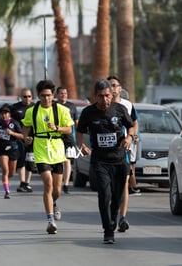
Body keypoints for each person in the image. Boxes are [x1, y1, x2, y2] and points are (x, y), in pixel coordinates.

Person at [76, 79, 135, 244]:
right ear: (95, 96)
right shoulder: (89, 112)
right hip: (100, 161)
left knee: (118, 196)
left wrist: (129, 137)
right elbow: (79, 131)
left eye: (107, 96)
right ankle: (108, 231)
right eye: (100, 96)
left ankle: (113, 218)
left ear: (112, 94)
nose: (104, 100)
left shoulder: (120, 109)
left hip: (119, 159)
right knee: (105, 194)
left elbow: (131, 126)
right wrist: (82, 145)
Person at [21, 80, 74, 234]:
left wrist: (57, 127)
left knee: (57, 189)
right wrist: (26, 137)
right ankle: (50, 220)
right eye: (43, 96)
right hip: (41, 148)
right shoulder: (32, 111)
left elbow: (69, 129)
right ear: (38, 96)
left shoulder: (62, 110)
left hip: (57, 149)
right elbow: (26, 126)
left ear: (53, 95)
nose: (46, 99)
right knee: (48, 184)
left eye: (49, 95)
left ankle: (54, 202)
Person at [107, 75, 140, 233]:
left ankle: (122, 218)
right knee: (111, 187)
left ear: (120, 88)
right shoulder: (102, 105)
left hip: (123, 150)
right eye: (110, 85)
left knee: (124, 184)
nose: (113, 88)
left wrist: (132, 136)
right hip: (105, 153)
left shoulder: (127, 105)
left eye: (115, 85)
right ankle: (111, 215)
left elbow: (134, 122)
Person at [0, 104, 24, 199]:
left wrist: (12, 133)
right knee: (5, 170)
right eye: (2, 113)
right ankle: (7, 191)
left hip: (13, 148)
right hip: (1, 149)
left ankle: (5, 180)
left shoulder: (14, 123)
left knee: (12, 173)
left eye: (6, 113)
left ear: (9, 114)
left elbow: (22, 136)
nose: (4, 115)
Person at [11, 88, 35, 193]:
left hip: (32, 138)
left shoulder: (35, 107)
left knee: (30, 161)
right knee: (21, 161)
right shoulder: (15, 108)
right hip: (19, 138)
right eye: (25, 96)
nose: (27, 98)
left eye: (29, 96)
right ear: (21, 97)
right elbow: (10, 122)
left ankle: (27, 183)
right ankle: (22, 182)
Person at [55, 86, 78, 194]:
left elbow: (76, 122)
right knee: (58, 161)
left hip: (69, 138)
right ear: (57, 95)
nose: (63, 95)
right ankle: (58, 183)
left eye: (65, 93)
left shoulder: (72, 106)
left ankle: (66, 184)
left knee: (67, 161)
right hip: (56, 137)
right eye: (61, 93)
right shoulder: (53, 106)